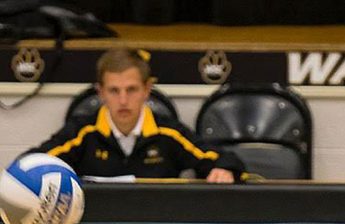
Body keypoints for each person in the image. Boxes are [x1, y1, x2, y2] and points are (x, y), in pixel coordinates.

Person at [29, 48, 246, 183]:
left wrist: (224, 169)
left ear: (147, 89)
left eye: (131, 90)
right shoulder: (82, 132)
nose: (123, 100)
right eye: (114, 91)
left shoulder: (168, 133)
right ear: (101, 92)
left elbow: (223, 159)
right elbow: (30, 163)